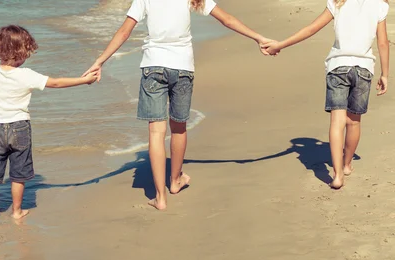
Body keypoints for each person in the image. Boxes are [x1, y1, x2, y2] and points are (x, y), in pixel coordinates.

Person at [83, 0, 273, 210]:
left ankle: (160, 198)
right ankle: (175, 181)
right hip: (182, 68)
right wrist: (259, 37)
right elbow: (226, 20)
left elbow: (124, 32)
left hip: (153, 67)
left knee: (156, 132)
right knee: (179, 127)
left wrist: (99, 61)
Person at [0, 25, 98, 230]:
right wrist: (84, 80)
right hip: (20, 129)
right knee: (18, 174)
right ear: (22, 52)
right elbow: (57, 83)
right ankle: (16, 211)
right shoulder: (27, 75)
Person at [263, 0, 389, 189]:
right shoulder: (379, 5)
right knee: (354, 121)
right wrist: (385, 74)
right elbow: (383, 42)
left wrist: (280, 44)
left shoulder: (338, 2)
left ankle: (337, 176)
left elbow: (311, 29)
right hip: (363, 69)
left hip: (338, 66)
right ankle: (346, 165)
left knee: (337, 122)